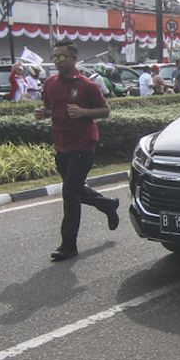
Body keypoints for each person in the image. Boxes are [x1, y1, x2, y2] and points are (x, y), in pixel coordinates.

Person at [35, 39, 120, 261]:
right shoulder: (50, 83)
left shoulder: (87, 85)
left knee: (70, 194)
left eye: (62, 57)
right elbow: (49, 107)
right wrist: (44, 113)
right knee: (75, 190)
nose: (57, 61)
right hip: (62, 144)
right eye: (55, 57)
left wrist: (83, 112)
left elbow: (105, 111)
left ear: (73, 59)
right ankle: (108, 204)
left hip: (83, 145)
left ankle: (68, 245)